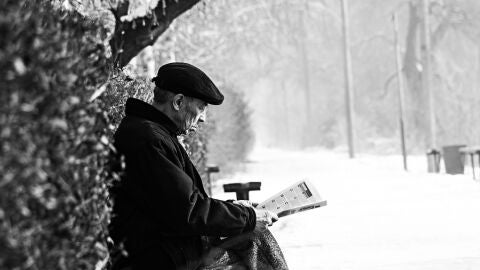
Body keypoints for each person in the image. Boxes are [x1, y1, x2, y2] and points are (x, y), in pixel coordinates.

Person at [109, 62, 286, 270]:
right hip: (158, 258)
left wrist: (238, 211)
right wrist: (247, 217)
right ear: (179, 102)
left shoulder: (153, 133)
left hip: (171, 249)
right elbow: (189, 211)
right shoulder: (148, 139)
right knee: (255, 238)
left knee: (253, 237)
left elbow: (186, 201)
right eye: (201, 108)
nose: (203, 118)